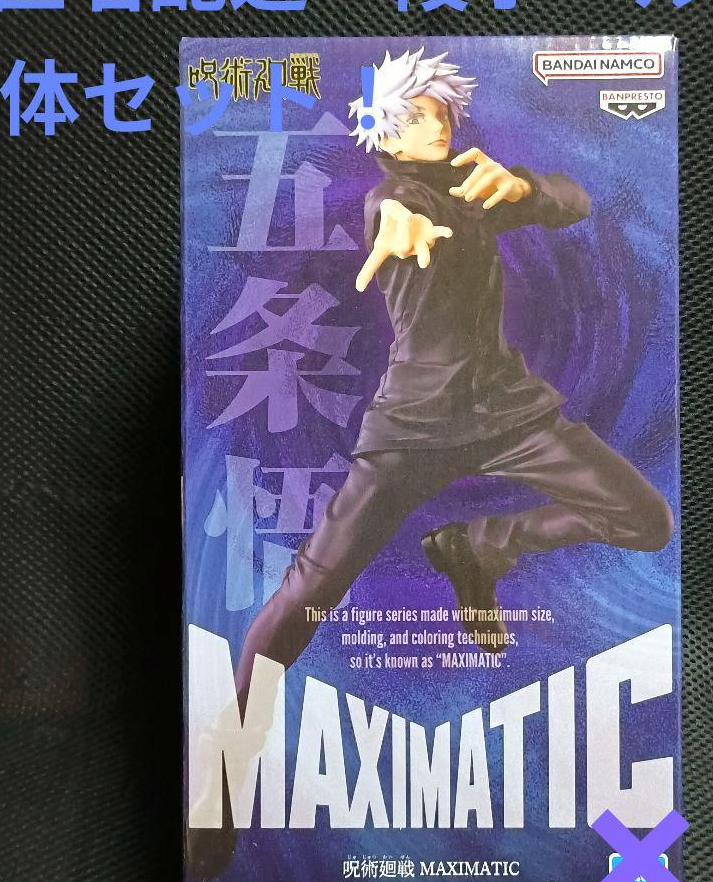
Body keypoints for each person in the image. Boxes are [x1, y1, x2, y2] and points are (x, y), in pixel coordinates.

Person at [231, 48, 672, 707]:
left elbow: (574, 201)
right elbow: (391, 209)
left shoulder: (471, 190)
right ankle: (234, 732)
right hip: (413, 430)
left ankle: (480, 545)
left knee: (645, 520)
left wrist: (526, 190)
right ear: (385, 132)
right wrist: (396, 223)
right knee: (315, 584)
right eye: (416, 116)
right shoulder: (395, 198)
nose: (435, 125)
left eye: (441, 113)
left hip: (508, 413)